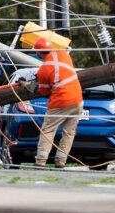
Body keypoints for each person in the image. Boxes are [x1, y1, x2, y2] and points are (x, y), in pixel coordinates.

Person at [33, 33, 82, 169]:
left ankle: (40, 161)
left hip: (60, 101)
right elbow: (61, 73)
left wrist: (35, 84)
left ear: (38, 52)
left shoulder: (43, 70)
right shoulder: (64, 55)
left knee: (48, 130)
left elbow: (44, 92)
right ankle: (60, 161)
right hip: (77, 100)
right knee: (69, 132)